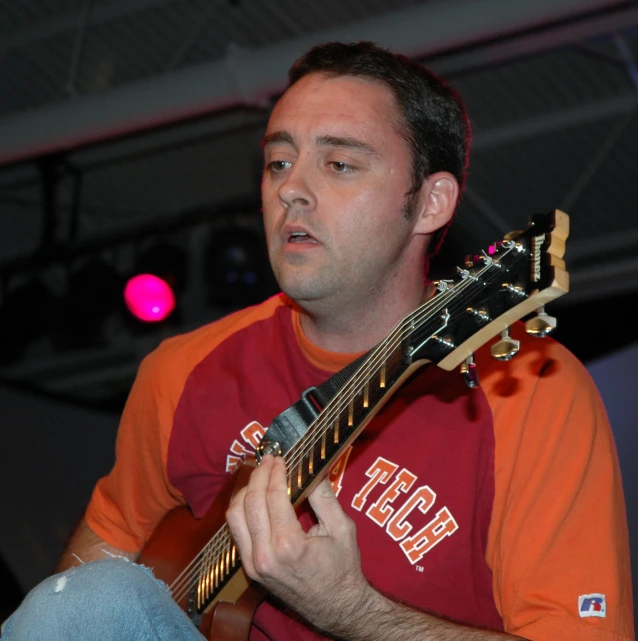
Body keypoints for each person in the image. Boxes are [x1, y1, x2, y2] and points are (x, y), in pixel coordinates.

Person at [1, 41, 633, 641]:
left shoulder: (531, 388)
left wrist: (351, 611)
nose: (290, 189)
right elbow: (86, 578)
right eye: (279, 161)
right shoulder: (184, 371)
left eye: (339, 163)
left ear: (431, 203)